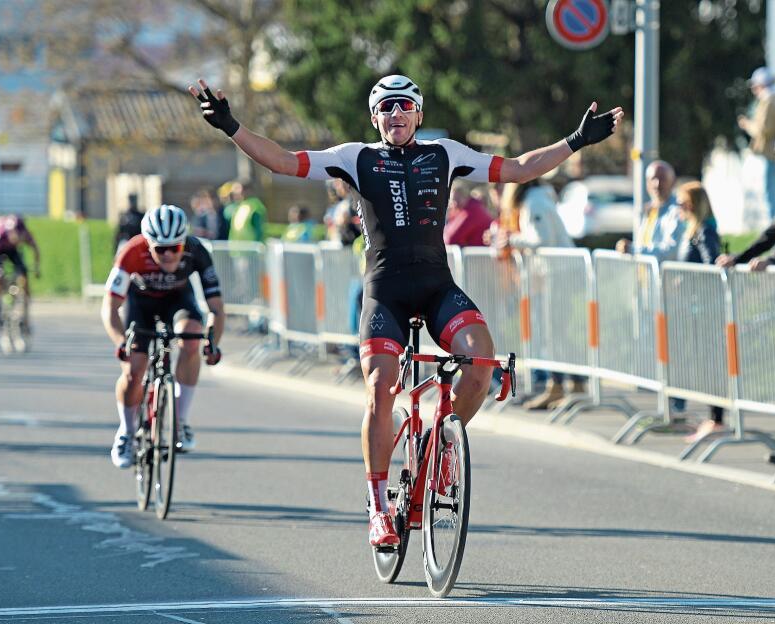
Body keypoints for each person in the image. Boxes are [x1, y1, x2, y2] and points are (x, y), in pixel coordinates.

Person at [189, 74, 623, 547]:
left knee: (480, 363)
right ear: (374, 118)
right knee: (380, 389)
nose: (395, 115)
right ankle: (377, 505)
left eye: (404, 107)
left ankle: (440, 446)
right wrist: (232, 125)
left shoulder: (445, 154)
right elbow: (283, 162)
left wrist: (576, 141)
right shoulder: (355, 157)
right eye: (386, 108)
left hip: (436, 287)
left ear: (419, 114)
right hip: (386, 293)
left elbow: (518, 168)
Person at [101, 204, 225, 469]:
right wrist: (121, 342)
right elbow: (109, 307)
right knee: (134, 368)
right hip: (140, 304)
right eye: (160, 249)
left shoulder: (197, 251)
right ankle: (125, 431)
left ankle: (180, 422)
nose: (168, 255)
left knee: (192, 337)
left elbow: (216, 307)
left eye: (175, 248)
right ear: (148, 244)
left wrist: (213, 342)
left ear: (184, 243)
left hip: (178, 300)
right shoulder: (131, 252)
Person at [489, 180, 586, 409]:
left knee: (555, 332)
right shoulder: (536, 199)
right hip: (557, 272)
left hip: (558, 273)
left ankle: (562, 385)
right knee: (557, 332)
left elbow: (542, 239)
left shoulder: (534, 202)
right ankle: (570, 384)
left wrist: (511, 240)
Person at [670, 182, 726, 440]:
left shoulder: (705, 231)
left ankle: (717, 420)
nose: (678, 208)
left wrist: (689, 279)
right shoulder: (692, 230)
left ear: (693, 204)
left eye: (682, 202)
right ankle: (712, 417)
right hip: (694, 308)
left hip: (706, 308)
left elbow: (711, 265)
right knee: (705, 362)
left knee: (712, 362)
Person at [615, 160, 684, 262]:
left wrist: (632, 249)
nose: (657, 184)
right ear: (647, 182)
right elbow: (642, 244)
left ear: (673, 182)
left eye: (663, 178)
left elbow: (670, 253)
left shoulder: (678, 211)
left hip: (666, 277)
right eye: (653, 178)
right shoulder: (649, 210)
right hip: (645, 277)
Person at [0, 214, 40, 329]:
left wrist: (37, 268)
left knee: (23, 275)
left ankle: (25, 311)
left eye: (19, 239)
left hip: (12, 252)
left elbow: (35, 249)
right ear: (10, 233)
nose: (17, 241)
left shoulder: (25, 234)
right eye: (15, 238)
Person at [737, 66, 775, 220]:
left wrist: (747, 124)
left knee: (770, 191)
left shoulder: (769, 100)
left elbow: (763, 130)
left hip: (771, 153)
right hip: (770, 152)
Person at [443, 180, 493, 247]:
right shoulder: (468, 208)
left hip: (480, 255)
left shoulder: (472, 210)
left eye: (457, 199)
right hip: (477, 254)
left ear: (464, 196)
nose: (454, 204)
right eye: (452, 201)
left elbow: (450, 239)